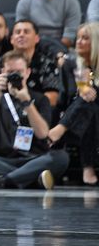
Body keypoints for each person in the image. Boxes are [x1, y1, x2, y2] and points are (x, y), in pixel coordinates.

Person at [0, 50, 68, 190]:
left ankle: (0, 181)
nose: (15, 76)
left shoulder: (40, 99)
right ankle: (28, 179)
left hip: (33, 159)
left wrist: (27, 102)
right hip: (1, 159)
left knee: (61, 157)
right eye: (10, 72)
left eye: (19, 72)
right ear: (2, 72)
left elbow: (43, 134)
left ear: (27, 72)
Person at [46, 23, 99, 185]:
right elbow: (68, 95)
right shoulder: (71, 64)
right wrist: (82, 88)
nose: (78, 42)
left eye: (85, 38)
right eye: (78, 37)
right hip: (74, 111)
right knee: (88, 104)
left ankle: (60, 129)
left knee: (91, 101)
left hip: (79, 116)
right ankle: (87, 167)